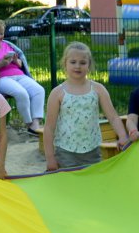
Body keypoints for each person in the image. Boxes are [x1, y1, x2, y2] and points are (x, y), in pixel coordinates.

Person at [44, 43, 129, 172]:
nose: (77, 66)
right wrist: (50, 158)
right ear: (65, 64)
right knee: (70, 187)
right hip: (66, 152)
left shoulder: (98, 89)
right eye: (73, 62)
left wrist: (123, 136)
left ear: (89, 65)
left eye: (82, 62)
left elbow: (113, 117)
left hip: (92, 151)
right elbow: (49, 128)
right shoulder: (58, 93)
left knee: (91, 186)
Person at [0, 19, 46, 135]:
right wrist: (1, 64)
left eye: (2, 33)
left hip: (18, 75)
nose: (0, 36)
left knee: (39, 90)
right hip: (0, 78)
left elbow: (21, 64)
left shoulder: (8, 45)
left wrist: (16, 60)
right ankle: (29, 124)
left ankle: (35, 124)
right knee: (21, 93)